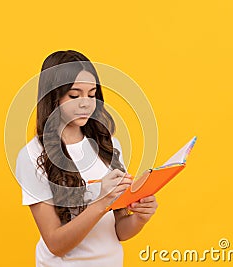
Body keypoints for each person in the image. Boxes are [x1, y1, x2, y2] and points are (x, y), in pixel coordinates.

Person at [15, 50, 158, 266]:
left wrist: (140, 218)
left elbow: (118, 231)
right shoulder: (32, 156)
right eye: (75, 95)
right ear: (53, 97)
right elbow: (56, 244)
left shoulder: (107, 145)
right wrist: (100, 202)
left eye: (92, 94)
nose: (86, 103)